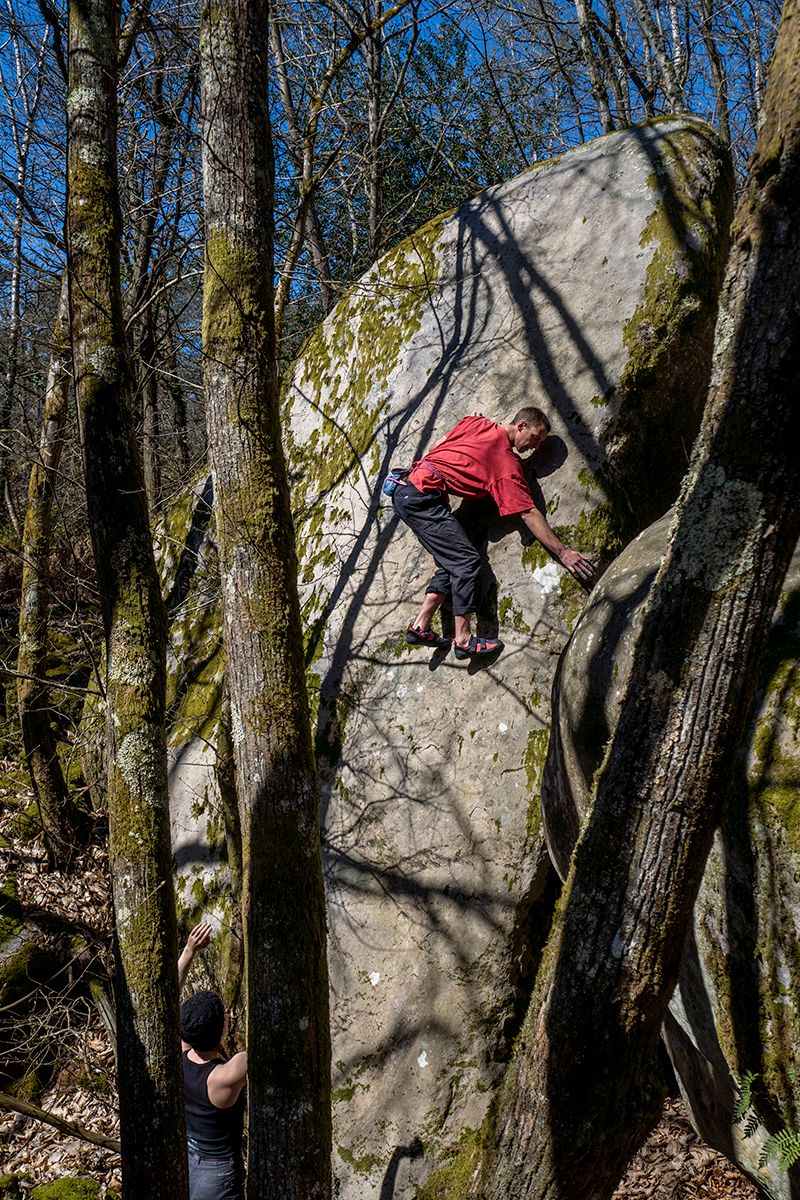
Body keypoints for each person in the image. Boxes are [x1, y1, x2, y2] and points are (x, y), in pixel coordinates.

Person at [392, 407, 594, 658]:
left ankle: (420, 626)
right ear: (521, 425)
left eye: (540, 444)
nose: (535, 447)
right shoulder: (506, 465)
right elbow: (528, 513)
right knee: (466, 562)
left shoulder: (477, 423)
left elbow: (438, 446)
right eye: (535, 438)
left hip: (410, 491)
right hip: (422, 498)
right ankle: (463, 639)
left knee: (453, 559)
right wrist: (563, 553)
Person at [179, 923, 247, 1200]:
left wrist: (189, 951)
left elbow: (162, 1000)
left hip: (188, 1160)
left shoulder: (179, 1056)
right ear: (223, 1028)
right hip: (217, 1173)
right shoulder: (224, 1075)